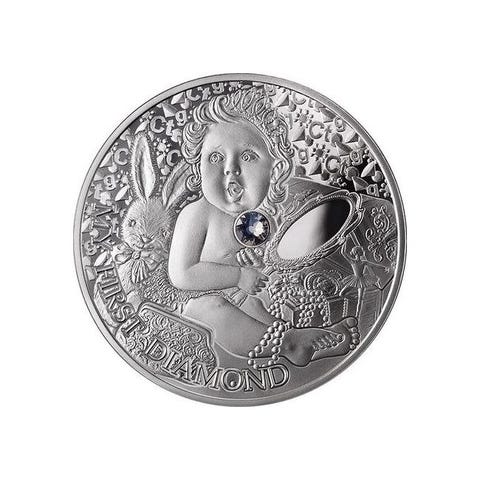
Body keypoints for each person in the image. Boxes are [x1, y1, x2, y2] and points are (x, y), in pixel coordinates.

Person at [167, 87, 357, 366]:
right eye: (215, 158)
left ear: (275, 170)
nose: (230, 169)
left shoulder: (258, 219)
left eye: (247, 157)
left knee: (256, 306)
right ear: (197, 168)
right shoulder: (195, 214)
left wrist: (248, 263)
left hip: (240, 299)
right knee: (211, 309)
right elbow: (181, 274)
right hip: (196, 309)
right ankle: (291, 345)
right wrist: (237, 275)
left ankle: (297, 340)